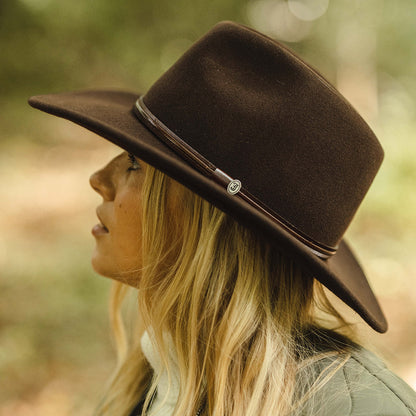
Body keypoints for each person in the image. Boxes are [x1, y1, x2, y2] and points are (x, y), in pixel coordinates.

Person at [29, 21, 415, 416]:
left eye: (134, 163)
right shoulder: (154, 378)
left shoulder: (359, 408)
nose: (98, 180)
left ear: (206, 220)